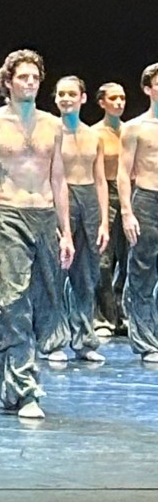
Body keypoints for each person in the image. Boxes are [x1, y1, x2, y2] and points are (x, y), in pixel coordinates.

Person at [0, 49, 74, 420]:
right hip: (9, 214)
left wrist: (66, 232)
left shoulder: (52, 125)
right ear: (8, 82)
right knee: (12, 300)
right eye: (23, 77)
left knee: (46, 301)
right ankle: (25, 387)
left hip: (45, 216)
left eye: (35, 77)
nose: (30, 83)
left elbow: (58, 178)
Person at [54, 76, 108, 363]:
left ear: (83, 98)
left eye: (71, 94)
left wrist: (104, 221)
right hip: (59, 198)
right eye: (61, 94)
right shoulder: (50, 132)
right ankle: (53, 340)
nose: (66, 98)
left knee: (86, 277)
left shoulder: (94, 136)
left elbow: (100, 180)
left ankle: (84, 340)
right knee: (54, 274)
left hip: (88, 200)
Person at [117, 63, 158, 363]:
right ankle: (146, 341)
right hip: (147, 199)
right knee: (142, 271)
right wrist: (127, 212)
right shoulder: (135, 128)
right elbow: (123, 172)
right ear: (148, 89)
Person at [93, 82, 127, 337]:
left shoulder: (131, 130)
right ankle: (103, 317)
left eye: (122, 98)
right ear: (101, 102)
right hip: (104, 193)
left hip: (131, 193)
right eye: (113, 98)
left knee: (129, 260)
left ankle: (123, 314)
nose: (118, 103)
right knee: (103, 261)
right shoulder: (95, 134)